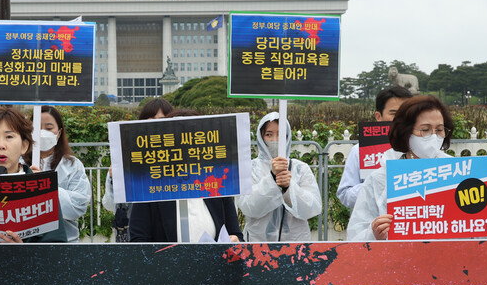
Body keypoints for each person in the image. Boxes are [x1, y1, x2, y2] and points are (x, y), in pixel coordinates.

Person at [347, 95, 487, 241]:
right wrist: (373, 233)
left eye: (439, 130)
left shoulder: (461, 174)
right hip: (397, 269)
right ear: (405, 132)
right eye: (425, 130)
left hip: (451, 269)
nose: (433, 136)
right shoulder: (381, 179)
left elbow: (475, 234)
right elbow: (355, 237)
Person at [129, 109, 244, 243]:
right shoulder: (150, 189)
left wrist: (235, 241)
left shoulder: (217, 186)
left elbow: (236, 234)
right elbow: (138, 242)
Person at [0, 106, 67, 243]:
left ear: (24, 145)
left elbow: (56, 247)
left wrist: (23, 252)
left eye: (9, 136)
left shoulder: (42, 190)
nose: (1, 145)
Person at [236, 112, 322, 242]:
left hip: (295, 246)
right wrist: (272, 179)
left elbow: (312, 208)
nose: (274, 140)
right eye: (269, 134)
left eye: (280, 135)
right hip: (258, 245)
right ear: (261, 137)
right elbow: (248, 207)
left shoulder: (300, 168)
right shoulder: (249, 168)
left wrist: (289, 188)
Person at [102, 97, 173, 241]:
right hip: (134, 235)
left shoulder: (181, 159)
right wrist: (113, 180)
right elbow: (110, 204)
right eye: (151, 118)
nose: (155, 124)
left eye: (161, 119)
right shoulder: (127, 156)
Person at [337, 86, 413, 209]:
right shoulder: (360, 150)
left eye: (406, 113)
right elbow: (345, 195)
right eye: (394, 113)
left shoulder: (421, 149)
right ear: (378, 116)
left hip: (411, 221)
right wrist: (378, 182)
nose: (401, 119)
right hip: (372, 224)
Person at [28, 106, 91, 243]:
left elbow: (79, 205)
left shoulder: (73, 165)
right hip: (25, 243)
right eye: (37, 127)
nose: (42, 132)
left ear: (59, 132)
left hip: (65, 242)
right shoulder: (19, 163)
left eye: (49, 128)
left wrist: (46, 187)